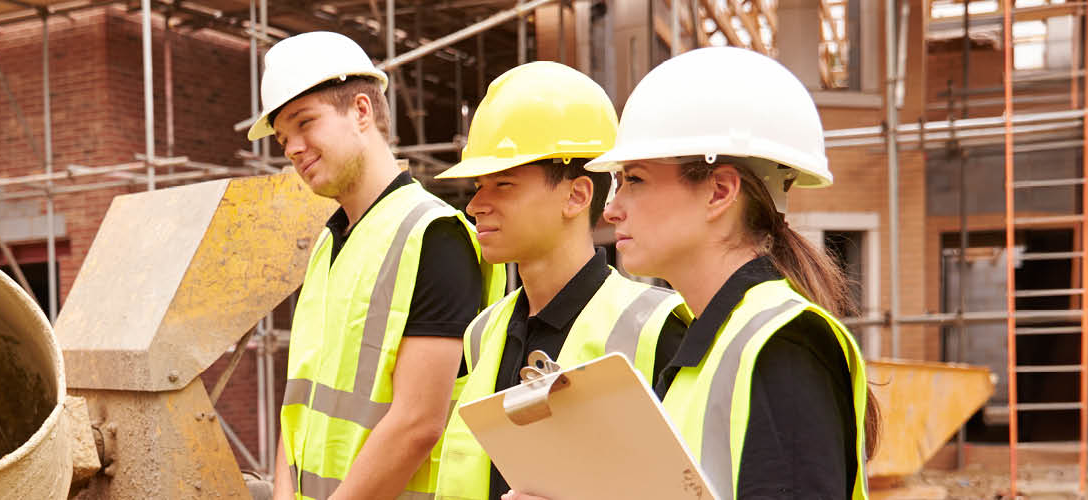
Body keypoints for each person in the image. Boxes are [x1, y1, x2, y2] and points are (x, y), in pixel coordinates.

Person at [556, 46, 873, 500]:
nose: (610, 210)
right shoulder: (709, 349)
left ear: (719, 192)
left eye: (635, 179)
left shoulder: (781, 347)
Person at [252, 31, 504, 500]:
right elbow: (300, 404)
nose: (291, 148)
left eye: (305, 123)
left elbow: (417, 424)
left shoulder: (434, 235)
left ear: (362, 112)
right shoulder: (328, 246)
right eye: (283, 137)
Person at [428, 62, 690, 500]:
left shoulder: (657, 330)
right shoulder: (482, 335)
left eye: (503, 184)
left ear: (576, 195)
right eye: (478, 185)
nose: (475, 204)